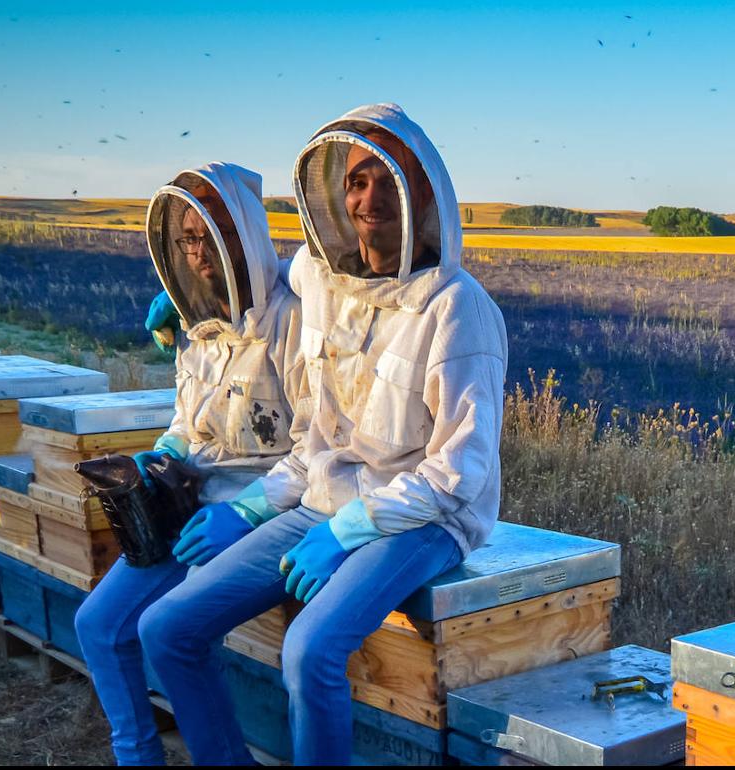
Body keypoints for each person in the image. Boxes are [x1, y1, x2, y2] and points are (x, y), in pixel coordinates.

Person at [138, 103, 509, 765]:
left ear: (422, 190)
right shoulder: (320, 283)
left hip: (424, 520)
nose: (368, 198)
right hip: (322, 502)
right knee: (165, 627)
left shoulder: (456, 309)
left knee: (310, 650)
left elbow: (461, 471)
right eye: (355, 182)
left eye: (384, 180)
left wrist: (349, 530)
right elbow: (312, 427)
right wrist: (251, 508)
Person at [73, 161, 305, 766]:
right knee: (99, 625)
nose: (201, 251)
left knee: (173, 634)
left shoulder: (294, 318)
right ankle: (138, 758)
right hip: (192, 503)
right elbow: (187, 418)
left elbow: (320, 447)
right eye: (189, 238)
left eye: (216, 232)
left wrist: (251, 512)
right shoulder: (193, 321)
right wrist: (167, 455)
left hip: (266, 507)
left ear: (247, 233)